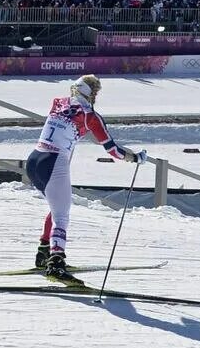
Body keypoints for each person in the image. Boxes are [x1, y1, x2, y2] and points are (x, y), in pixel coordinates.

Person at [26, 74, 144, 279]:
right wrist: (134, 158)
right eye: (96, 93)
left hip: (34, 159)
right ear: (91, 93)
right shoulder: (91, 115)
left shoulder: (58, 102)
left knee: (55, 209)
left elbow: (69, 114)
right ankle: (56, 261)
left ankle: (43, 251)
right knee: (62, 215)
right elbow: (112, 149)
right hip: (54, 162)